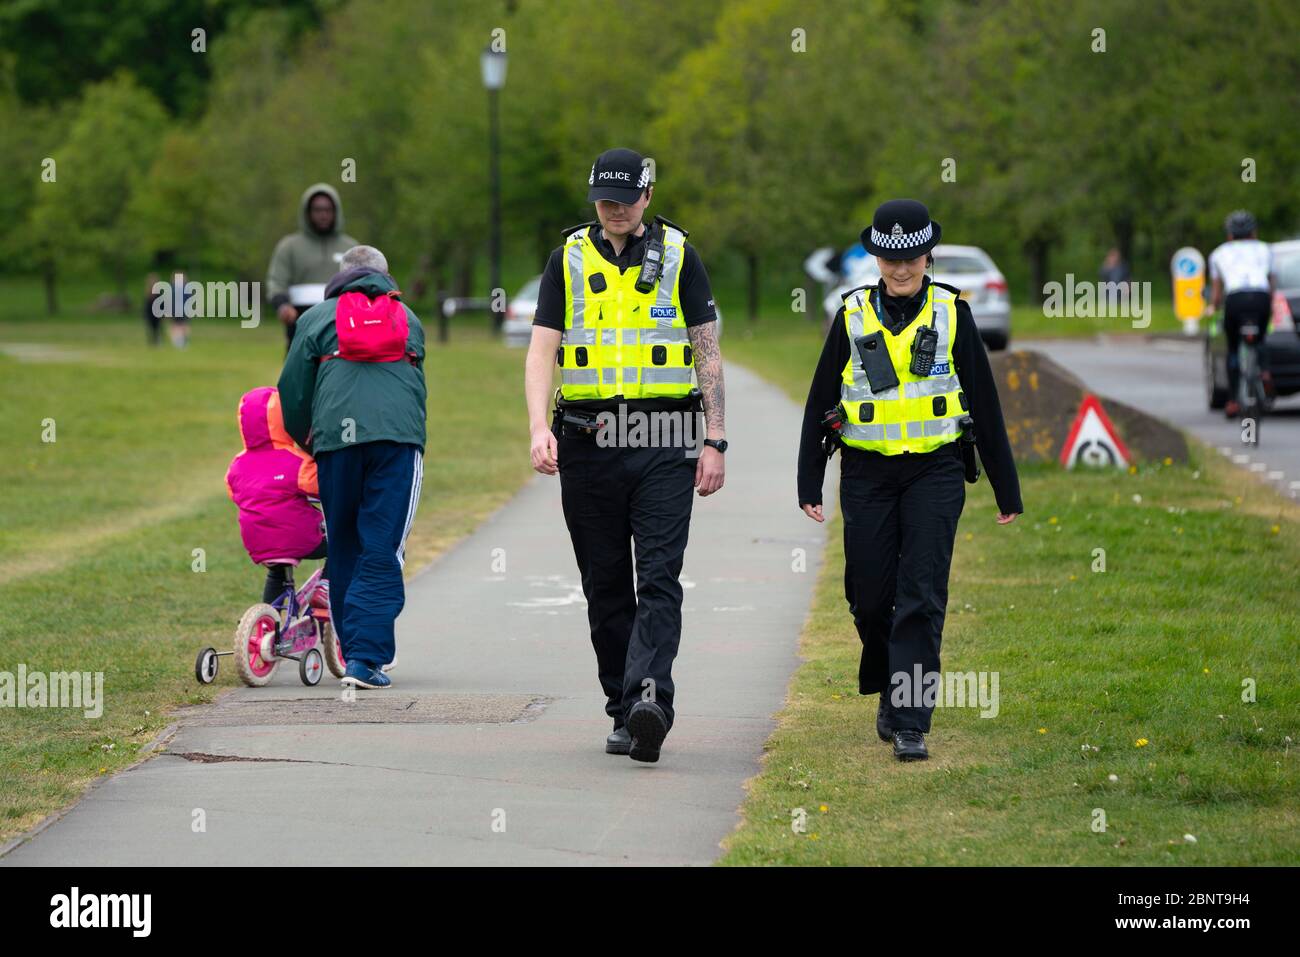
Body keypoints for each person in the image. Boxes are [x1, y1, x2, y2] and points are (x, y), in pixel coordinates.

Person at [797, 199, 1023, 762]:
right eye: (890, 258)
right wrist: (808, 479)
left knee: (920, 596)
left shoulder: (953, 313)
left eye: (912, 258)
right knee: (870, 600)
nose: (901, 269)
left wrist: (1005, 487)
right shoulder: (850, 315)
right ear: (875, 255)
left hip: (935, 471)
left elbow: (986, 407)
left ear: (928, 255)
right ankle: (888, 677)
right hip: (867, 473)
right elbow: (820, 399)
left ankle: (909, 719)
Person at [524, 147, 726, 763]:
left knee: (659, 574)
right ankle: (622, 709)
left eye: (625, 199)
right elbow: (541, 353)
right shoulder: (568, 259)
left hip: (664, 436)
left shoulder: (681, 256)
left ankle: (650, 702)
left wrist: (715, 440)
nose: (614, 209)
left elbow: (707, 354)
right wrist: (539, 427)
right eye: (604, 200)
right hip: (587, 440)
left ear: (648, 196)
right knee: (605, 584)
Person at [276, 245, 426, 690]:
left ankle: (351, 647)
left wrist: (309, 439)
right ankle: (365, 658)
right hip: (397, 443)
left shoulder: (317, 318)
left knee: (343, 542)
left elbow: (293, 391)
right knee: (382, 546)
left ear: (340, 276)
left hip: (336, 444)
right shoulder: (410, 320)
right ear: (386, 276)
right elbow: (416, 389)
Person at [224, 386, 329, 608]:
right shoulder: (296, 461)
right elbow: (321, 487)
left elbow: (233, 492)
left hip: (257, 542)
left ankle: (267, 621)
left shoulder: (238, 464)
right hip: (301, 539)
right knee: (344, 545)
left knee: (277, 571)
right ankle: (326, 587)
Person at [266, 183, 359, 353]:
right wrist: (283, 306)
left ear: (335, 212)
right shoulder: (289, 246)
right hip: (301, 326)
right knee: (300, 377)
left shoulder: (351, 247)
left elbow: (364, 281)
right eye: (317, 209)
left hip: (342, 328)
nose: (323, 215)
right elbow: (276, 282)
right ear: (307, 212)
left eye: (328, 209)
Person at [1206, 210, 1275, 418]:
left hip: (1235, 299)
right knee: (1260, 338)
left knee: (1234, 347)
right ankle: (1264, 372)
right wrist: (1269, 304)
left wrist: (1214, 306)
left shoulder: (1218, 253)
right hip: (1260, 297)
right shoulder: (1266, 249)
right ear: (1254, 233)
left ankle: (1234, 401)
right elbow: (1271, 283)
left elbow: (1217, 291)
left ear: (1229, 235)